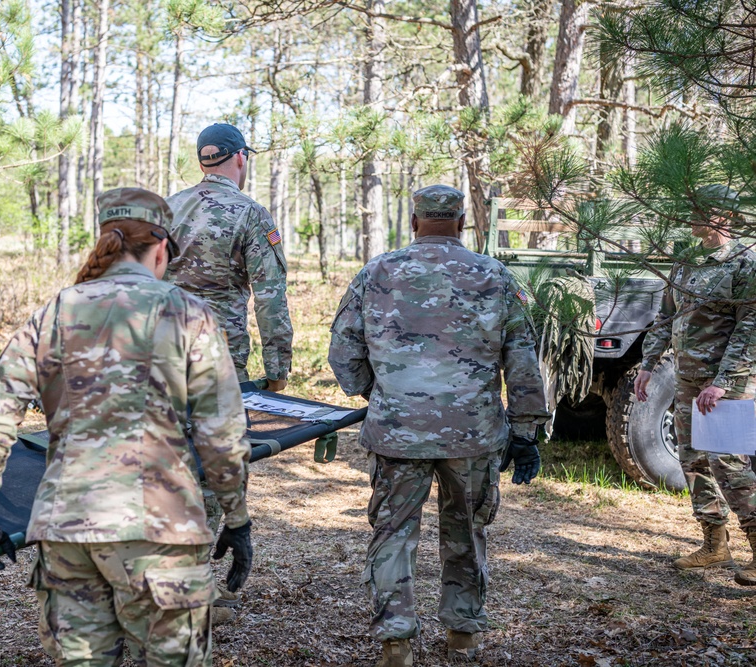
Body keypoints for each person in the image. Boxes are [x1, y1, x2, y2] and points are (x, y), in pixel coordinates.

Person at [0, 188, 254, 666]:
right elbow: (222, 436)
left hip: (68, 532)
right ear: (162, 248)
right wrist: (236, 519)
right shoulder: (188, 314)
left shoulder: (54, 312)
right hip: (161, 533)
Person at [329, 185, 550, 666]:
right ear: (462, 222)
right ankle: (463, 634)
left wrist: (385, 395)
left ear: (414, 221)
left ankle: (396, 642)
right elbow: (523, 360)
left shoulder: (376, 273)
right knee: (466, 531)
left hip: (396, 431)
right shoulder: (494, 275)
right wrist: (526, 430)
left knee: (392, 534)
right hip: (471, 433)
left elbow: (344, 353)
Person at [634, 184, 756, 585]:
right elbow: (665, 317)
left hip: (725, 385)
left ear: (721, 214)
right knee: (694, 461)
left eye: (698, 210)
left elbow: (750, 327)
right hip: (687, 380)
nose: (689, 217)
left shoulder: (744, 261)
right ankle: (715, 544)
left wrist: (724, 381)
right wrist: (648, 364)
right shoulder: (685, 262)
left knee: (729, 464)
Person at [165, 123, 292, 390]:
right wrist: (277, 371)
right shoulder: (250, 213)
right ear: (239, 157)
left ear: (202, 165)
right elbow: (271, 297)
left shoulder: (166, 207)